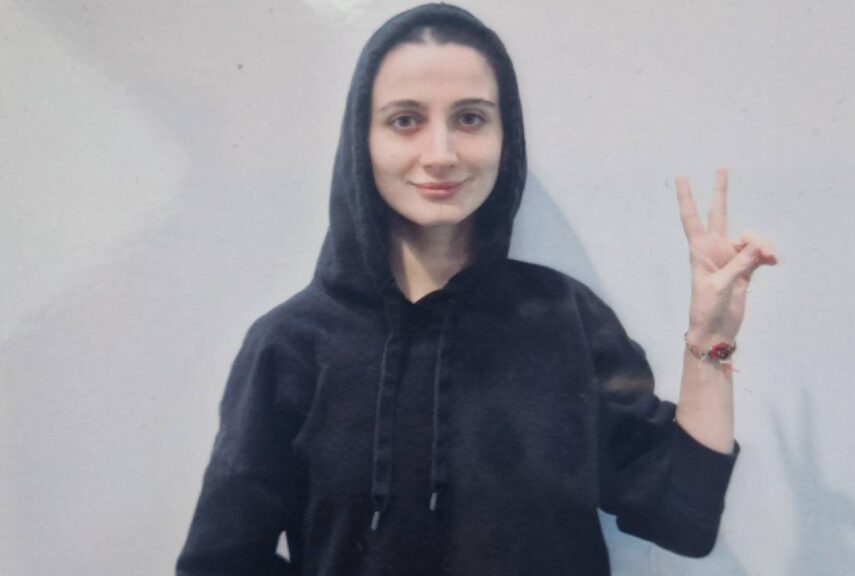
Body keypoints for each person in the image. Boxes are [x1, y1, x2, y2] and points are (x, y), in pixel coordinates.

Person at [176, 3, 778, 575]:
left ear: (505, 137)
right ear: (363, 140)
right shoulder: (289, 345)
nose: (441, 154)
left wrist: (710, 341)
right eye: (405, 120)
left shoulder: (567, 319)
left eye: (470, 118)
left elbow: (681, 518)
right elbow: (220, 563)